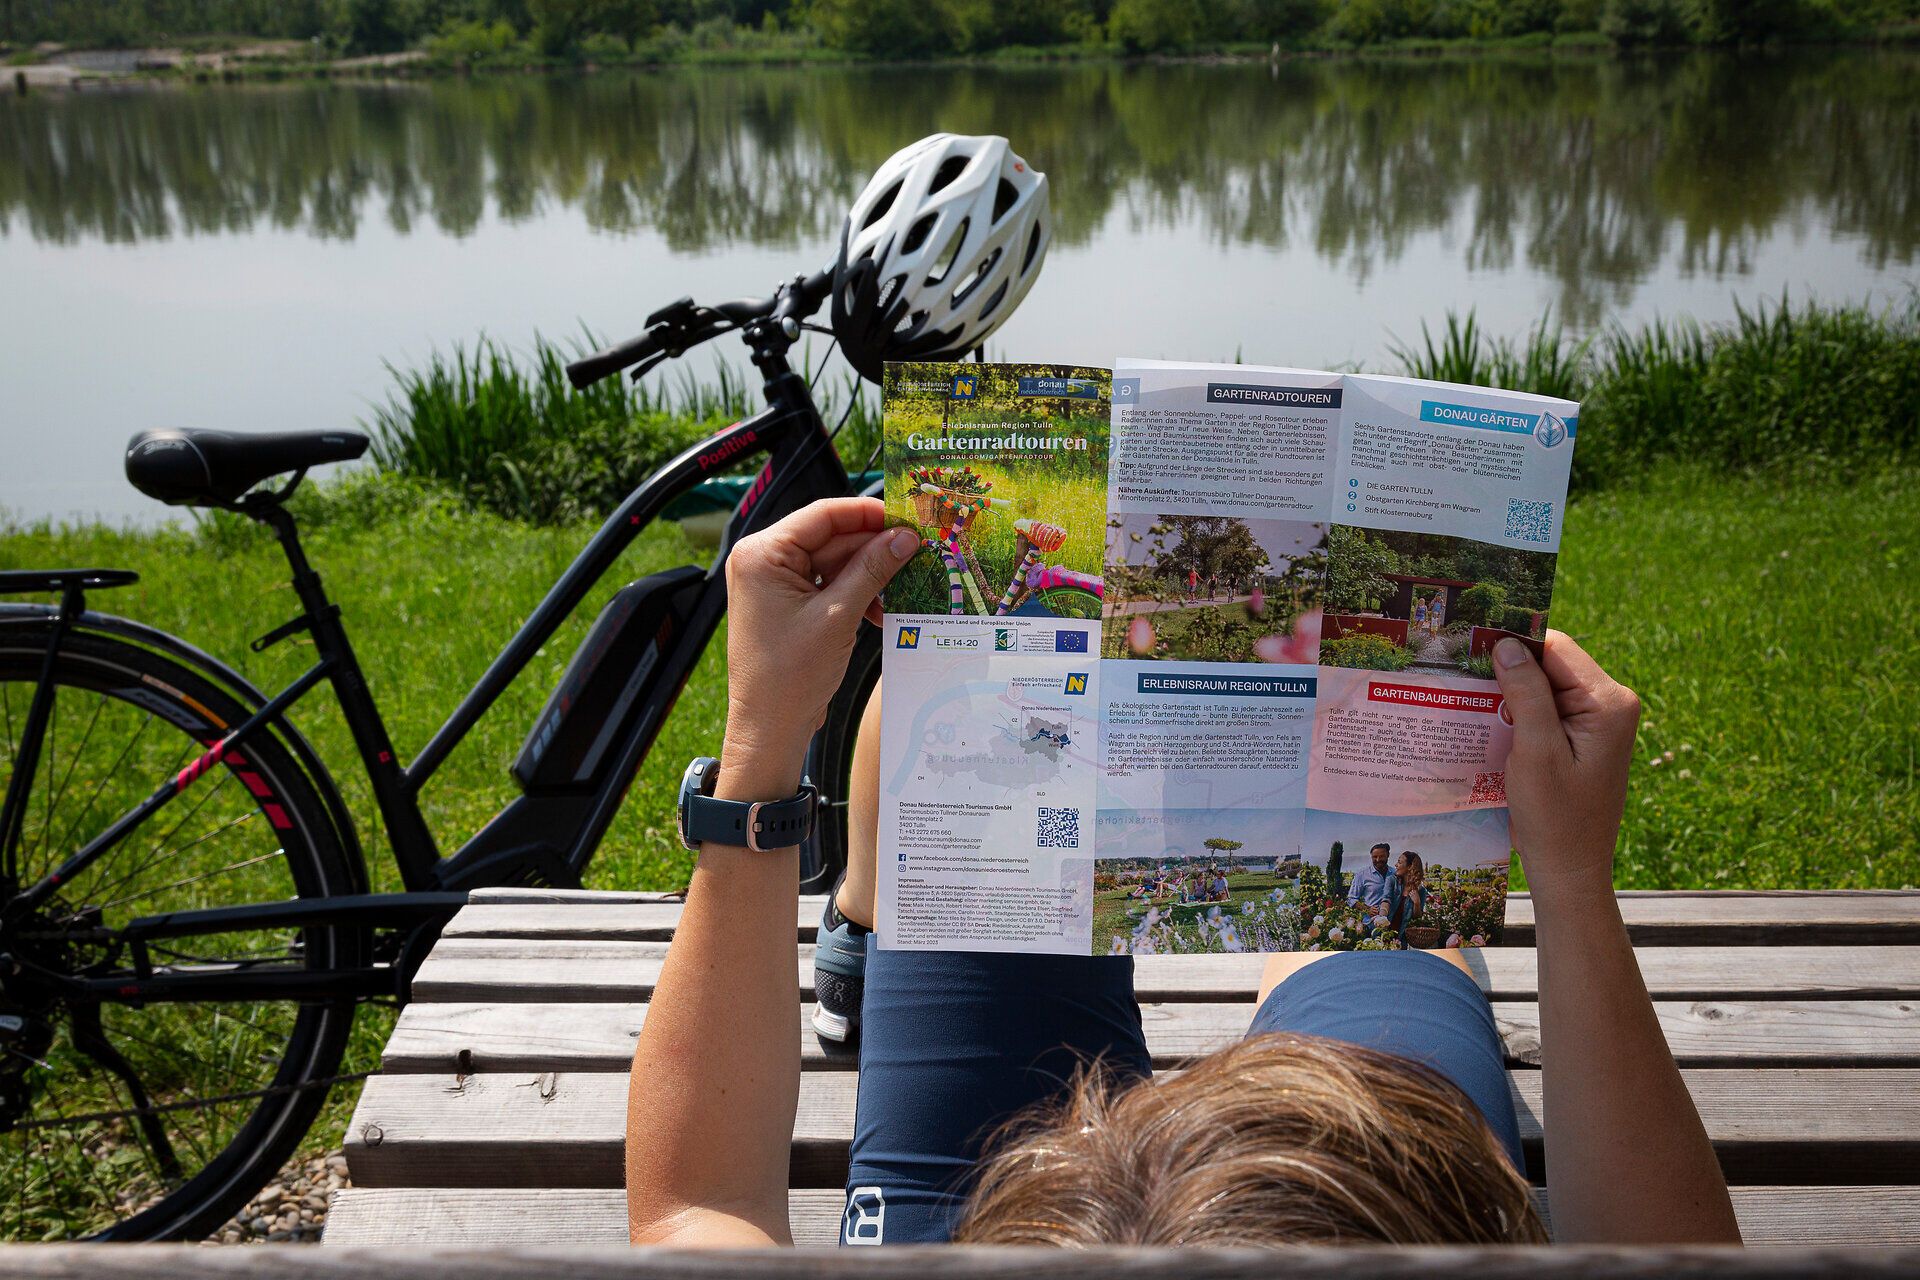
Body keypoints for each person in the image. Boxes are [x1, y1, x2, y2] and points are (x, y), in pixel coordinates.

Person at [625, 496, 1740, 1250]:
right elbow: (695, 1212)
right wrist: (1575, 883)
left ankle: (863, 927)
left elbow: (692, 1204)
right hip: (1338, 1180)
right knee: (1371, 921)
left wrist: (762, 744)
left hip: (1072, 1213)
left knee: (946, 734)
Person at [1384, 850, 1429, 943]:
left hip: (1402, 935)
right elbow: (1386, 900)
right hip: (1385, 931)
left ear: (1409, 867)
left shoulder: (1421, 890)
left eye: (1399, 862)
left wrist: (1417, 903)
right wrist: (1382, 916)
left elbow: (1417, 917)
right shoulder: (1391, 881)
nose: (1396, 865)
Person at [1347, 842, 1393, 910]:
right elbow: (1351, 899)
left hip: (1393, 919)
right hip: (1370, 919)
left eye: (1381, 856)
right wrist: (1367, 909)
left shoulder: (1395, 873)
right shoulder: (1362, 875)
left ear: (1388, 855)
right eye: (1375, 857)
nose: (1378, 860)